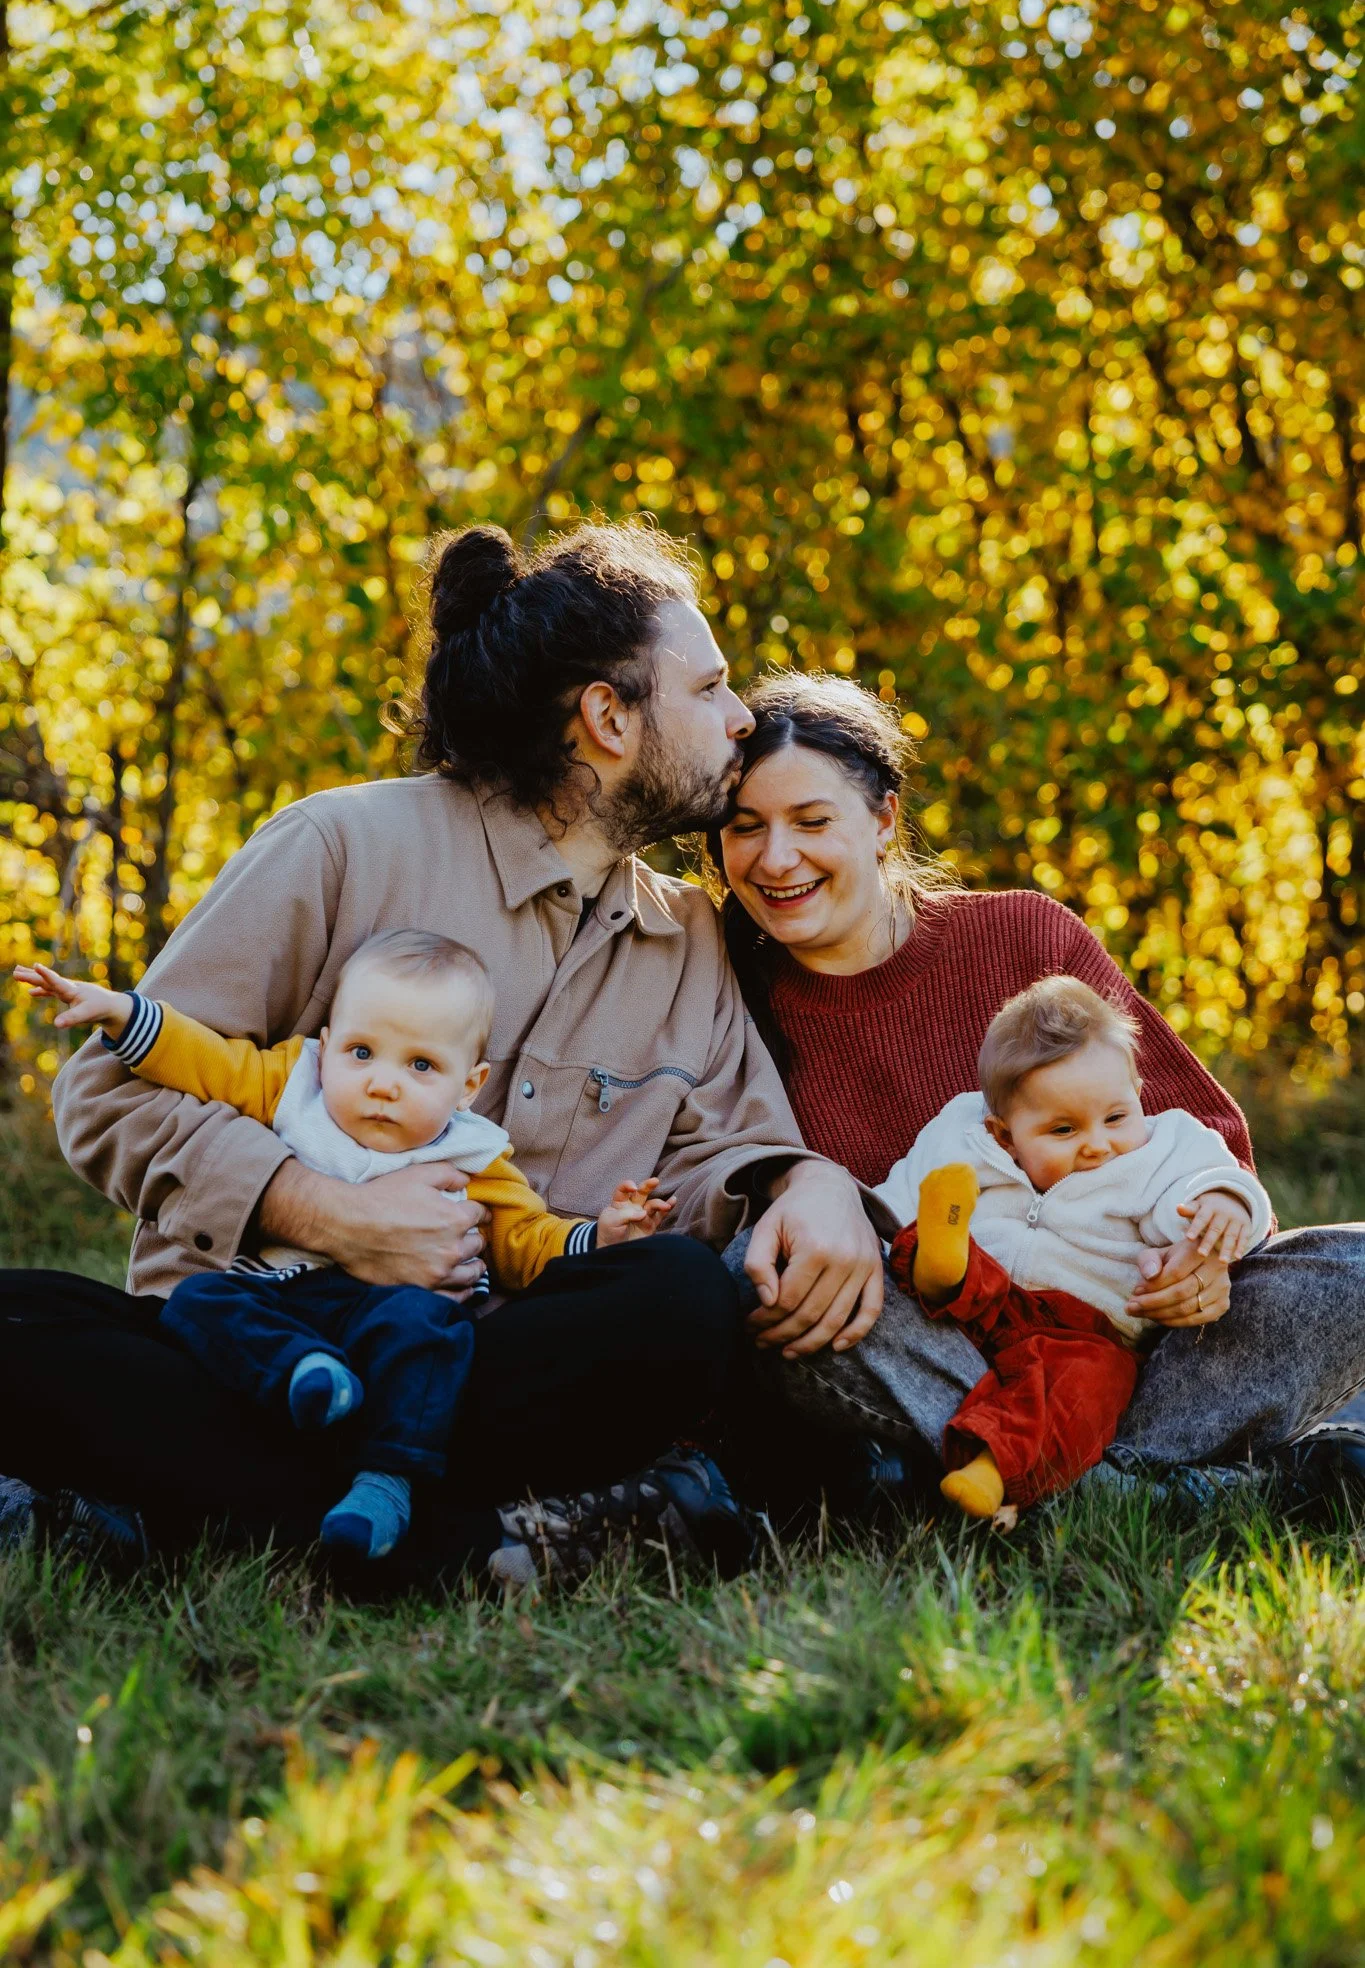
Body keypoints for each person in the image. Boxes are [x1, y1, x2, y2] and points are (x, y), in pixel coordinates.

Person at [0, 520, 882, 1587]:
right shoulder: (341, 845)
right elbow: (104, 1087)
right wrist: (322, 1211)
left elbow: (727, 1155)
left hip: (483, 1367)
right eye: (712, 688)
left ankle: (192, 1507)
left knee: (679, 1298)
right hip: (263, 1343)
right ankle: (475, 1542)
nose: (743, 719)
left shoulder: (689, 935)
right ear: (608, 716)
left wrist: (809, 1179)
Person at [712, 670, 1365, 1478]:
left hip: (1139, 1337)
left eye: (810, 820)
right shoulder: (725, 994)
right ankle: (1160, 1482)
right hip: (943, 1349)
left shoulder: (1022, 937)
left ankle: (1074, 1477)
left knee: (1352, 1268)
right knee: (761, 1280)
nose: (776, 858)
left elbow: (1203, 1132)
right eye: (744, 828)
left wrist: (1203, 1257)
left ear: (883, 818)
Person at [16, 929, 672, 1560]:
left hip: (390, 1315)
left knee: (430, 1335)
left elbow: (526, 1241)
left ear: (468, 1085)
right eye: (361, 1053)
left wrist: (601, 1236)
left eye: (420, 1065)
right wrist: (122, 1013)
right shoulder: (291, 1086)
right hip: (281, 1298)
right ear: (325, 1047)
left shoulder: (473, 1154)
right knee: (201, 1299)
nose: (382, 1083)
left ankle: (386, 1481)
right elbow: (206, 1063)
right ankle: (304, 1376)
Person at [878, 977, 1272, 1521]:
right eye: (1063, 1130)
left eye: (1115, 1117)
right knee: (911, 1239)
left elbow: (1208, 1181)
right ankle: (938, 1265)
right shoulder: (961, 1135)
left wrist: (1224, 1205)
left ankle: (991, 1472)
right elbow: (884, 1206)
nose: (1097, 1143)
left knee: (1081, 1392)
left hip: (1084, 1332)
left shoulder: (1162, 1148)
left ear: (1138, 1090)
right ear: (1004, 1136)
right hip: (978, 1309)